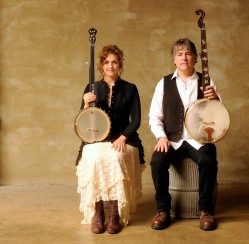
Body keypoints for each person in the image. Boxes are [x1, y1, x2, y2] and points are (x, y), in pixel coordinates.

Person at [149, 38, 220, 231]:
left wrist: (215, 99)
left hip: (199, 139)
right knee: (157, 161)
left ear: (195, 58)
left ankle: (205, 211)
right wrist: (161, 136)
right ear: (174, 59)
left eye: (188, 53)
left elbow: (217, 114)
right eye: (179, 54)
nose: (184, 58)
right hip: (172, 140)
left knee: (208, 159)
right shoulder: (163, 84)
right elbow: (155, 116)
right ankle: (163, 210)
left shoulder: (207, 81)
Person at [75, 44, 145, 234]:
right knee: (95, 158)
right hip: (96, 139)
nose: (110, 66)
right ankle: (99, 214)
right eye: (106, 62)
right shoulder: (92, 88)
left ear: (120, 64)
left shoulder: (131, 88)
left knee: (116, 157)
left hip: (124, 138)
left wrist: (123, 137)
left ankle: (115, 214)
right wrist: (86, 104)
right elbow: (82, 122)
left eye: (114, 62)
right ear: (101, 65)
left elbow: (136, 120)